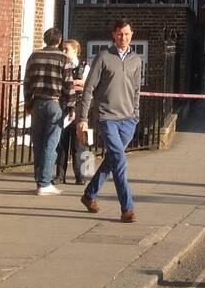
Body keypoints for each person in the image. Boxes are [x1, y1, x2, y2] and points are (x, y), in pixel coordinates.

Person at [76, 19, 143, 222]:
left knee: (112, 159)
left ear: (132, 35)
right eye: (120, 34)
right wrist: (83, 118)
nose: (124, 38)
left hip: (128, 119)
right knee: (120, 160)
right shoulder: (104, 57)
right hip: (107, 118)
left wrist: (136, 115)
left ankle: (89, 195)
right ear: (114, 35)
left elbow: (136, 90)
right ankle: (127, 208)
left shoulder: (136, 60)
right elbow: (89, 89)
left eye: (127, 34)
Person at [23, 27, 70, 197]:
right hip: (54, 103)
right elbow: (68, 84)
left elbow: (27, 81)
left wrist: (28, 102)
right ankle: (44, 183)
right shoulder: (63, 58)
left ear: (45, 40)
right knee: (51, 144)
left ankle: (39, 179)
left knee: (39, 142)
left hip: (37, 102)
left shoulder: (34, 56)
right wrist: (71, 106)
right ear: (59, 41)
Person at [54, 39, 88, 186]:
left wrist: (71, 83)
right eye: (62, 49)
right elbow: (58, 84)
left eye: (66, 49)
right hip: (63, 105)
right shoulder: (60, 66)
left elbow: (86, 84)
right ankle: (60, 175)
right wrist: (75, 83)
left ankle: (80, 175)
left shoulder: (85, 66)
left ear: (75, 51)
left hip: (79, 106)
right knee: (62, 142)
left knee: (79, 142)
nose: (63, 52)